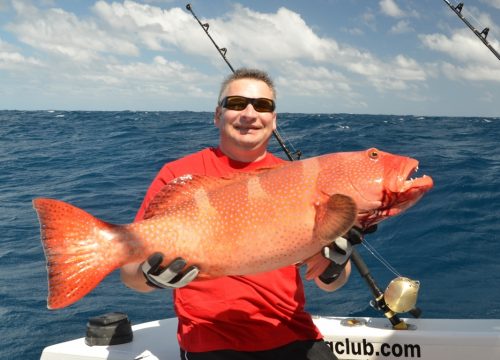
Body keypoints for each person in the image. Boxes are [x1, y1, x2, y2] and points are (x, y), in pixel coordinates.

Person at [121, 68, 353, 360]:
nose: (249, 113)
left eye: (263, 106)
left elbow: (331, 283)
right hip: (210, 341)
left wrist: (335, 263)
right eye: (236, 103)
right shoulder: (177, 174)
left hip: (294, 334)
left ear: (274, 120)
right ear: (217, 115)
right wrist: (150, 276)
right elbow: (130, 274)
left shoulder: (303, 179)